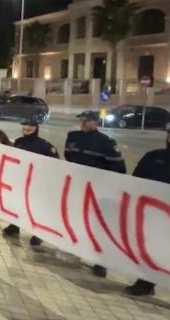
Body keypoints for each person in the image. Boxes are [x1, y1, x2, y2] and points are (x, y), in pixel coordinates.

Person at [124, 126, 170, 304]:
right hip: (154, 215)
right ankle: (145, 284)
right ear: (167, 138)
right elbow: (137, 180)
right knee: (151, 250)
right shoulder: (153, 157)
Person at [64, 110, 126, 277]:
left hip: (98, 190)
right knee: (76, 219)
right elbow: (69, 156)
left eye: (88, 120)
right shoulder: (72, 136)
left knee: (97, 225)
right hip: (78, 186)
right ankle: (77, 248)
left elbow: (119, 169)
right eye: (82, 119)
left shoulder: (106, 142)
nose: (84, 122)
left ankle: (100, 262)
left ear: (96, 122)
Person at [3, 119, 59, 246]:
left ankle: (39, 234)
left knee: (36, 209)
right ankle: (15, 225)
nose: (27, 128)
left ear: (36, 128)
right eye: (25, 125)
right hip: (20, 180)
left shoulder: (45, 145)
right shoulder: (18, 142)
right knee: (18, 204)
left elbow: (56, 164)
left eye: (30, 126)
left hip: (37, 183)